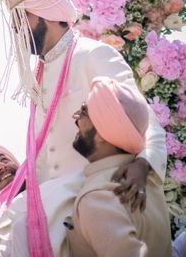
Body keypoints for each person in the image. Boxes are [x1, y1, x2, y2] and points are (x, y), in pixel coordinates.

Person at [0, 0, 166, 257]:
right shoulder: (41, 74)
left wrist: (144, 164)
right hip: (52, 202)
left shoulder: (93, 54)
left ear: (43, 15)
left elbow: (143, 117)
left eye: (20, 20)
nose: (15, 30)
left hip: (93, 187)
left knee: (13, 224)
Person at [65, 77, 171, 256]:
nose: (76, 118)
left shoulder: (99, 197)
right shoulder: (148, 178)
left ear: (103, 133)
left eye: (84, 111)